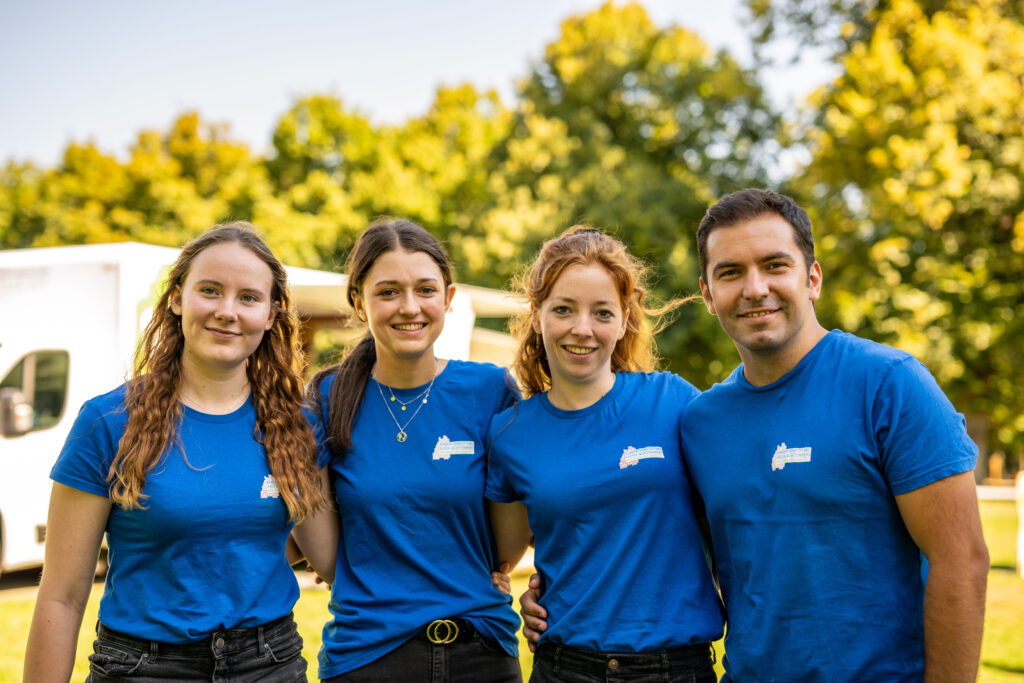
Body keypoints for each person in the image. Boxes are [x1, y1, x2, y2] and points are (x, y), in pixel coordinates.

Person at [24, 222, 328, 682]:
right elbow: (61, 596)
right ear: (175, 298)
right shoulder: (108, 422)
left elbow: (331, 558)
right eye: (210, 290)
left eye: (248, 297)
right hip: (143, 669)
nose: (227, 311)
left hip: (269, 666)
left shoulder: (298, 424)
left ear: (271, 314)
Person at [486, 226, 724, 683]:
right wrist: (526, 598)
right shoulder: (510, 433)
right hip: (565, 667)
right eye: (563, 309)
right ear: (537, 316)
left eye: (602, 312)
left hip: (674, 668)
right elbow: (503, 559)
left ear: (623, 321)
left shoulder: (674, 403)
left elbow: (732, 514)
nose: (582, 328)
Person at [308, 218, 523, 682]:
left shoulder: (490, 391)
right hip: (366, 658)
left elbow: (508, 540)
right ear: (358, 303)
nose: (410, 307)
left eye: (425, 290)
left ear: (447, 297)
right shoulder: (324, 399)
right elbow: (326, 557)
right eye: (387, 292)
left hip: (481, 654)